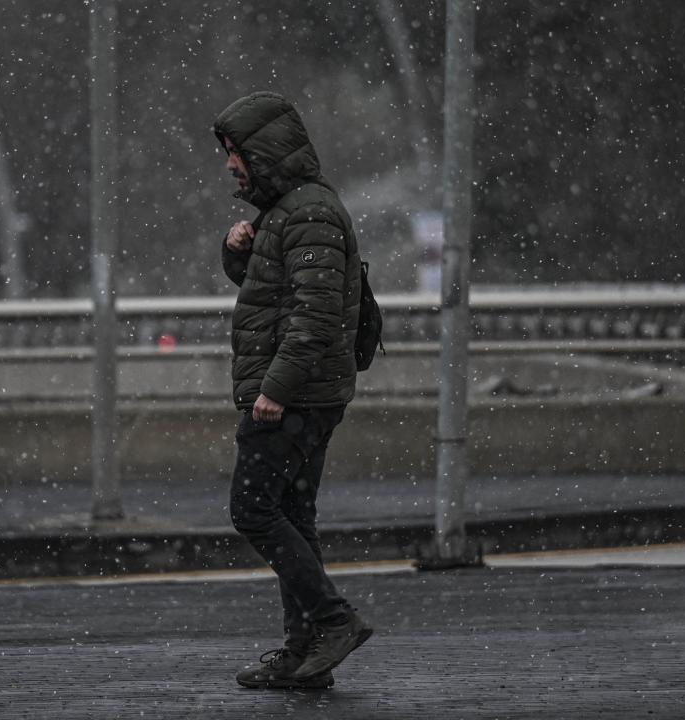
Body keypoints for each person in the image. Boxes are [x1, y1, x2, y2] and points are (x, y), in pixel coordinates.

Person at [214, 91, 373, 690]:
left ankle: (333, 622)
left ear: (264, 151)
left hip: (297, 396)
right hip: (303, 392)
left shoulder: (309, 213)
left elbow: (315, 312)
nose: (231, 165)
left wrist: (275, 390)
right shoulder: (286, 211)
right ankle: (305, 653)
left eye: (236, 152)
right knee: (292, 513)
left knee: (253, 509)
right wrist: (239, 252)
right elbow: (273, 289)